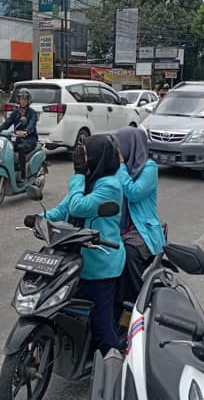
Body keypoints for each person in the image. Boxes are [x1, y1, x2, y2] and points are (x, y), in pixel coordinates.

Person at [39, 135, 125, 355]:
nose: (81, 160)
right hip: (76, 259)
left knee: (102, 327)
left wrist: (77, 175)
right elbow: (64, 208)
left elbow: (78, 207)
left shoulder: (111, 185)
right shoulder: (88, 180)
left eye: (85, 155)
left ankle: (114, 368)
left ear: (97, 157)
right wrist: (40, 218)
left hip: (102, 262)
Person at [112, 127, 166, 309]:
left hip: (141, 230)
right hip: (120, 228)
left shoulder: (149, 168)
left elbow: (134, 193)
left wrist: (120, 165)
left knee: (127, 254)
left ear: (131, 146)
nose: (117, 151)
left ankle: (140, 303)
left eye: (119, 146)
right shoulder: (118, 170)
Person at [0, 89, 38, 180]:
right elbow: (7, 123)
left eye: (25, 99)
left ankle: (22, 174)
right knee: (6, 147)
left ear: (28, 100)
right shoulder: (15, 112)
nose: (23, 101)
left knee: (21, 148)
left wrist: (26, 132)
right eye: (21, 98)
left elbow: (32, 125)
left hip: (29, 140)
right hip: (18, 139)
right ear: (18, 100)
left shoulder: (32, 113)